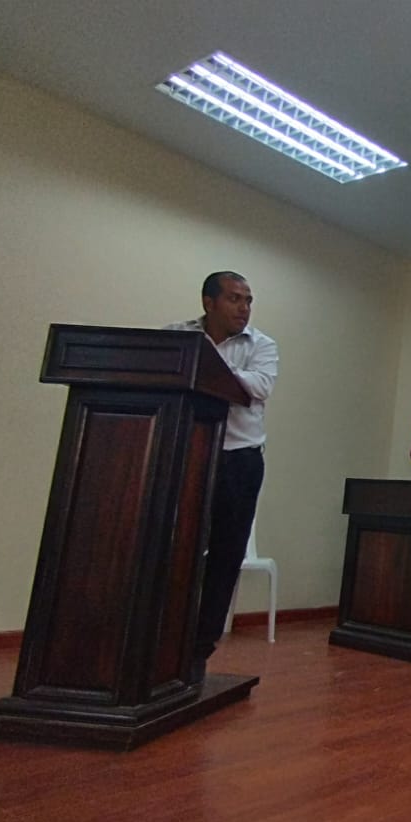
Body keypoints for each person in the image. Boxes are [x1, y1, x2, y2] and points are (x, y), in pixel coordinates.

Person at [165, 271, 279, 683]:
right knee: (172, 549)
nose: (244, 308)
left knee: (225, 556)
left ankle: (199, 649)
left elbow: (257, 387)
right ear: (208, 302)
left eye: (248, 300)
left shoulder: (262, 345)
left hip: (238, 462)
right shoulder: (177, 337)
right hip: (183, 457)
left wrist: (202, 369)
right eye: (234, 299)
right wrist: (217, 372)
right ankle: (161, 638)